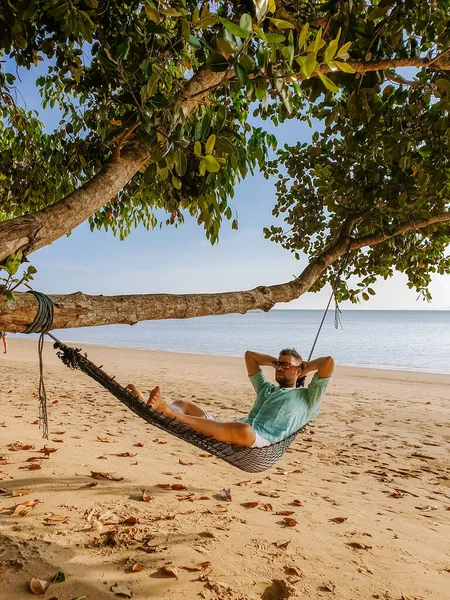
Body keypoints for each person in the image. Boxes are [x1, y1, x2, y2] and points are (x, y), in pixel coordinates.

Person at [127, 349, 334, 448]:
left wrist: (304, 367)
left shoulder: (308, 397)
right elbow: (249, 356)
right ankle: (156, 410)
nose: (280, 368)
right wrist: (275, 362)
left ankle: (166, 412)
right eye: (279, 365)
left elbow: (328, 362)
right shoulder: (267, 388)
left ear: (299, 371)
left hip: (259, 440)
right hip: (231, 427)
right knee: (183, 403)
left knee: (242, 430)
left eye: (286, 366)